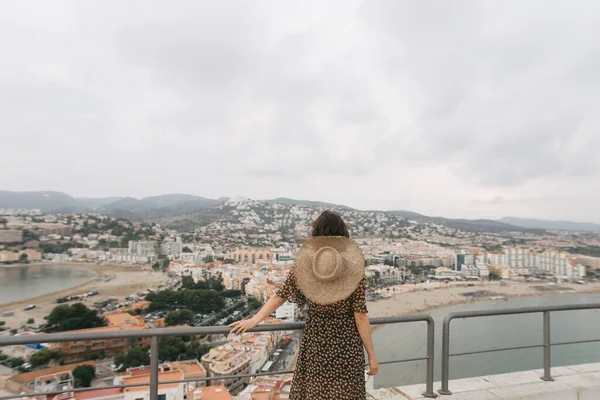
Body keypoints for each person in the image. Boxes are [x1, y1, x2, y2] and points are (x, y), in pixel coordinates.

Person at [230, 210, 378, 399]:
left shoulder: (305, 266)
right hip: (346, 344)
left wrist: (255, 320)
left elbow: (280, 295)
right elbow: (360, 316)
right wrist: (372, 354)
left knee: (316, 393)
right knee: (345, 393)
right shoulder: (352, 269)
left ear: (316, 235)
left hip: (316, 342)